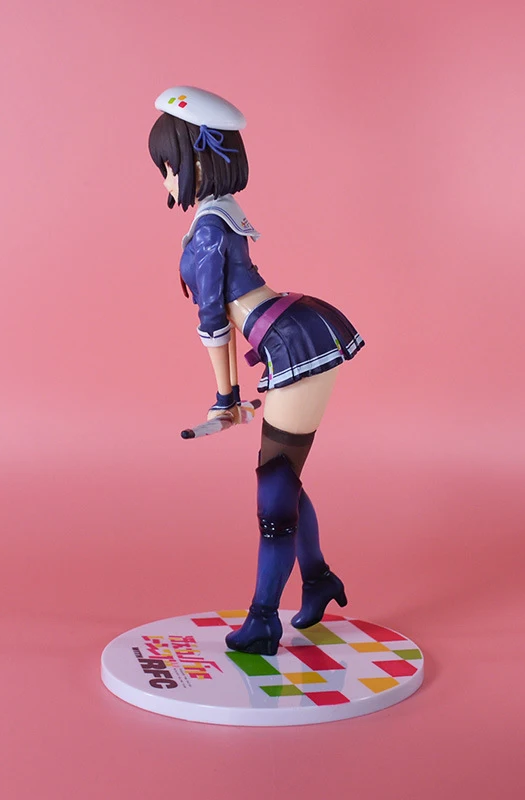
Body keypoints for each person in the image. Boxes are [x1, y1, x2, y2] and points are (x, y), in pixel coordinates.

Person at [149, 86, 364, 656]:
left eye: (168, 165)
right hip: (289, 332)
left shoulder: (210, 227)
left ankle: (265, 618)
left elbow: (213, 321)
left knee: (274, 491)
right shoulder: (218, 215)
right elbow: (220, 314)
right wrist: (228, 397)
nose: (165, 178)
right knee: (283, 477)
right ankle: (317, 579)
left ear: (196, 162)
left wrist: (225, 397)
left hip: (292, 342)